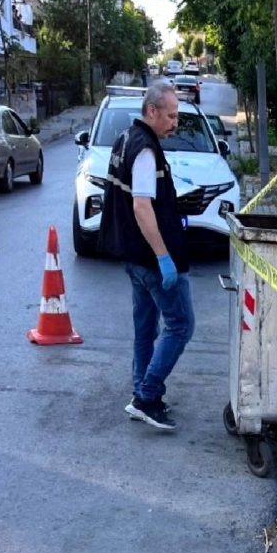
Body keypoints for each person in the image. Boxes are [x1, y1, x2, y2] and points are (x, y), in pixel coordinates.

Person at [99, 82, 194, 431]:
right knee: (181, 325)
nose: (175, 123)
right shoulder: (145, 150)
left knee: (145, 328)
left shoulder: (126, 138)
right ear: (152, 111)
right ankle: (147, 397)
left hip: (133, 255)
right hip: (152, 258)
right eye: (171, 116)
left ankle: (141, 390)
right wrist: (164, 257)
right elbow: (141, 206)